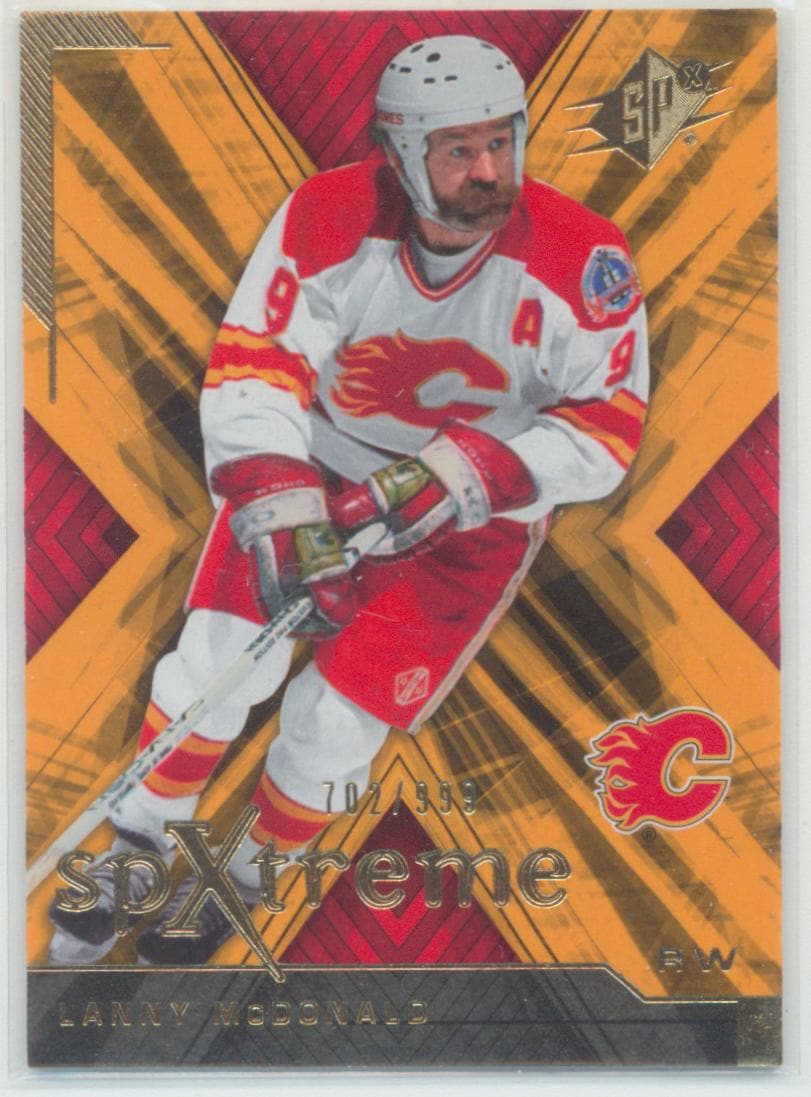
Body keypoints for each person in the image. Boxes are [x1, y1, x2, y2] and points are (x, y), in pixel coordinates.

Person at [49, 35, 648, 964]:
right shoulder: (328, 213)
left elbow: (606, 429)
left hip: (470, 521)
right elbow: (257, 363)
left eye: (500, 141)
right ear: (400, 148)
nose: (487, 170)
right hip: (316, 470)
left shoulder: (583, 257)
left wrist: (457, 474)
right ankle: (138, 840)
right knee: (215, 664)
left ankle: (249, 873)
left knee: (333, 725)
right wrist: (284, 499)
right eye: (458, 150)